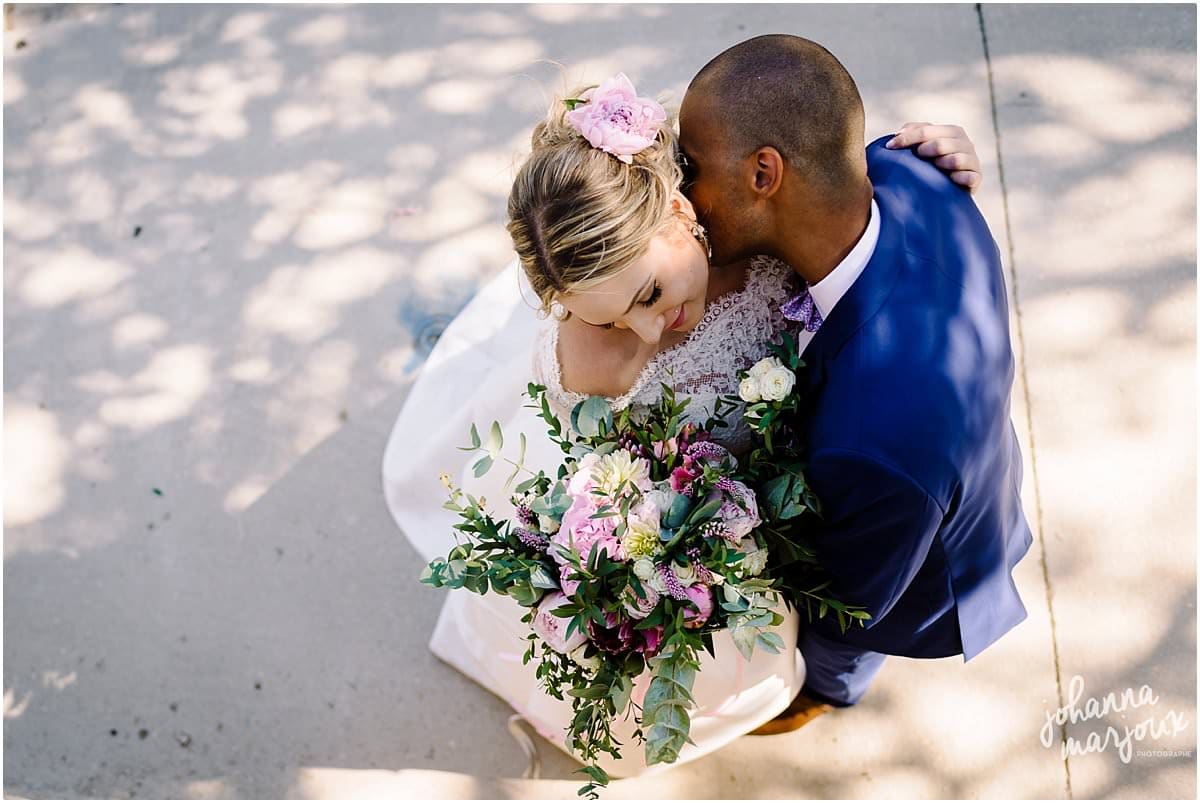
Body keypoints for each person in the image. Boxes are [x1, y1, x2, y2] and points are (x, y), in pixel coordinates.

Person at [382, 66, 987, 775]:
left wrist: (930, 160)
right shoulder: (599, 358)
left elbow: (826, 165)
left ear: (677, 209)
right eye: (611, 315)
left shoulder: (765, 221)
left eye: (649, 292)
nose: (647, 331)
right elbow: (577, 467)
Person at [675, 34, 1033, 731]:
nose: (682, 195)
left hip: (928, 559)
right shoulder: (910, 169)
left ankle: (824, 696)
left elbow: (844, 598)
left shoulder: (874, 442)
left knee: (842, 645)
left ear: (764, 174)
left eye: (692, 167)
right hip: (959, 456)